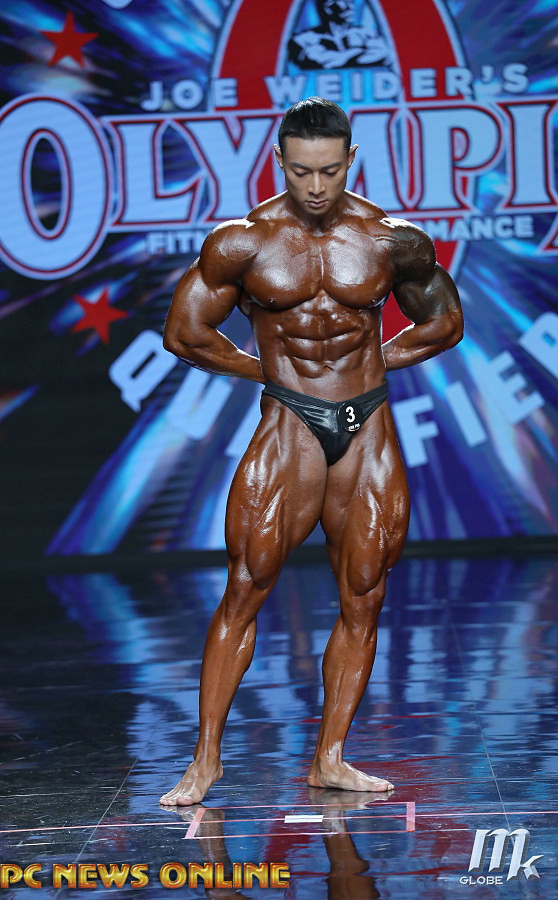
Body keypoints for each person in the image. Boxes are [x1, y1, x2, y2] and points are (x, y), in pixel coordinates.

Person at [160, 97, 463, 806]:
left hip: (368, 425)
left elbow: (444, 322)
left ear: (350, 159)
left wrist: (377, 362)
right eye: (301, 172)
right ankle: (205, 761)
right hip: (290, 423)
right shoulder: (243, 243)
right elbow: (185, 333)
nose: (317, 187)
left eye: (329, 171)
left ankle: (331, 758)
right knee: (247, 585)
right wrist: (266, 372)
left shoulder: (392, 241)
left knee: (365, 592)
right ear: (280, 162)